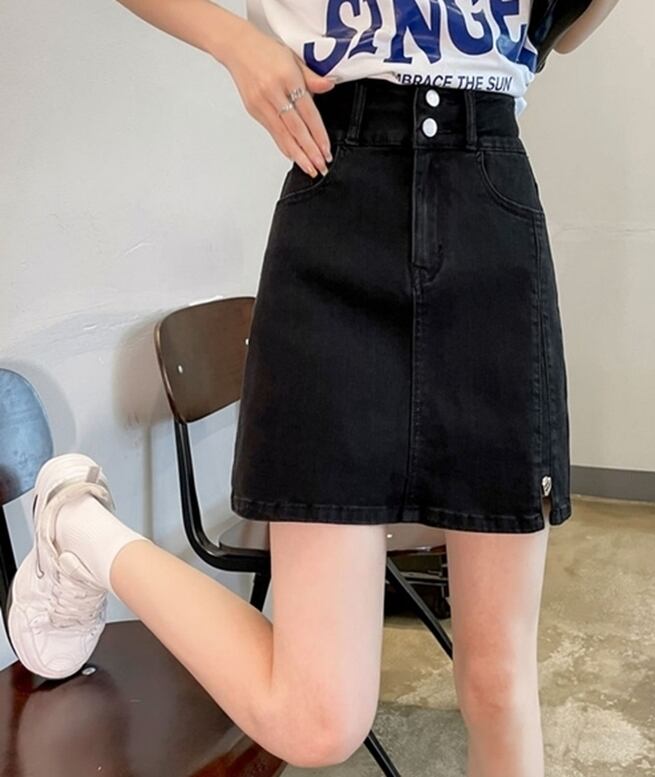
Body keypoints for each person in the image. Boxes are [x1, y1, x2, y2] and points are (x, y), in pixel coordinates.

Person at [6, 1, 621, 775]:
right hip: (339, 191)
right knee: (318, 720)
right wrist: (233, 41)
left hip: (489, 210)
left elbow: (563, 32)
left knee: (500, 686)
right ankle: (76, 527)